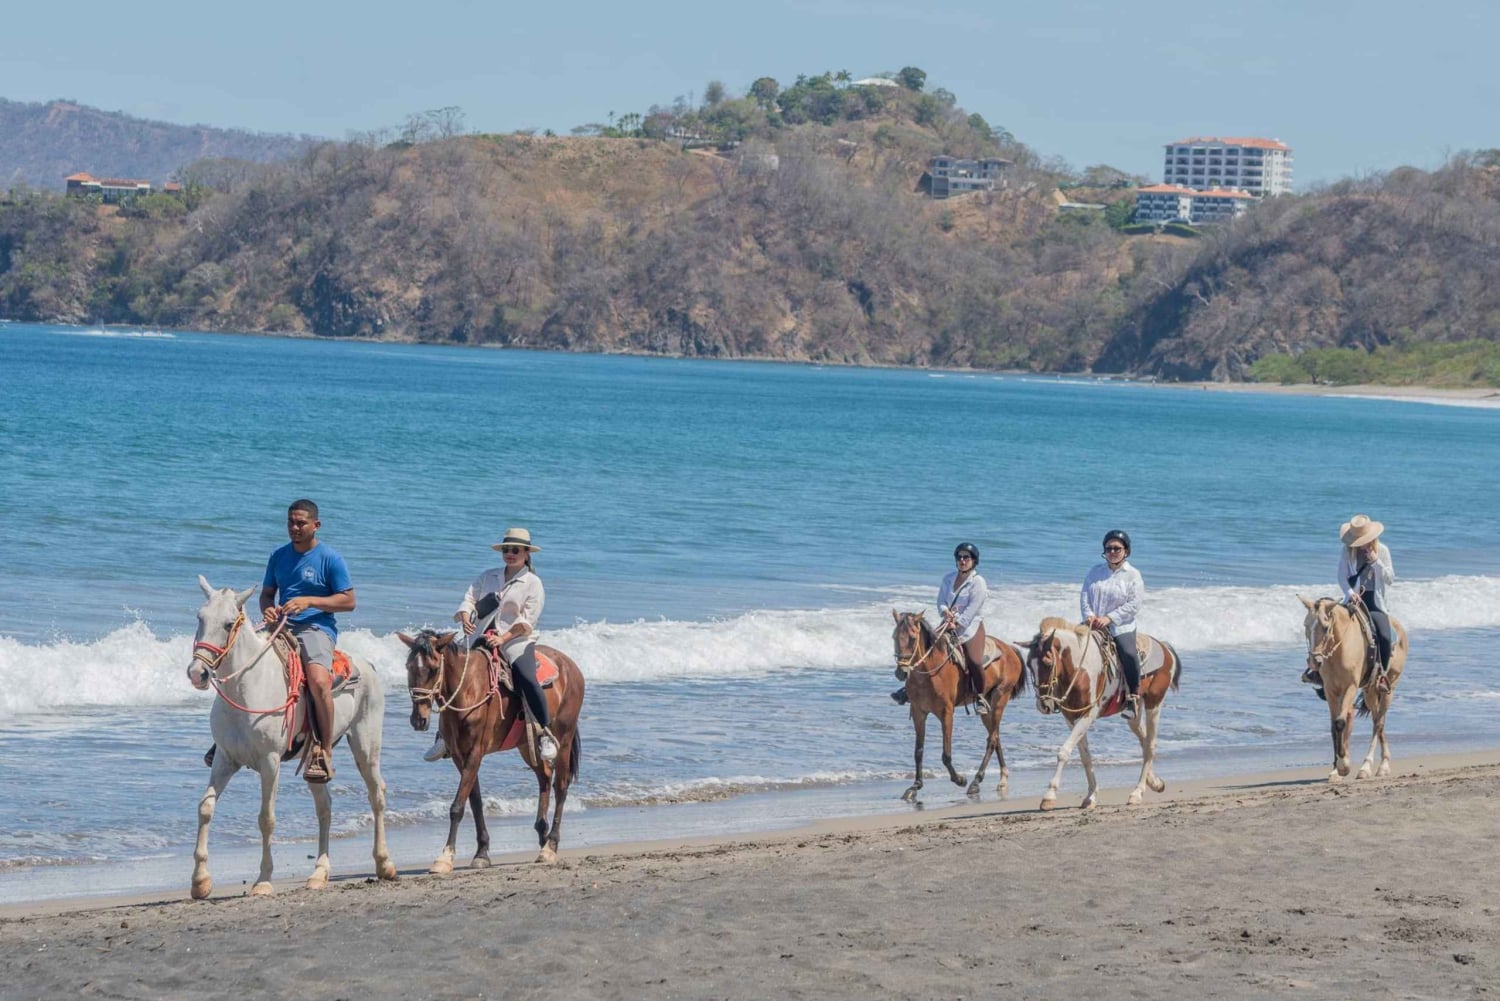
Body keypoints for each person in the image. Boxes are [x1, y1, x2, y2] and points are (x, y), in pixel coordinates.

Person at [425, 527, 557, 764]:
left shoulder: (533, 583)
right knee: (449, 675)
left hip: (515, 640)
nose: (510, 553)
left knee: (527, 677)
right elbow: (469, 599)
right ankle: (443, 736)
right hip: (480, 637)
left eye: (515, 550)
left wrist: (503, 639)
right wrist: (465, 617)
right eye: (506, 549)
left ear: (526, 553)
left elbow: (527, 620)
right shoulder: (488, 576)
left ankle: (544, 733)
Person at [261, 499, 355, 783]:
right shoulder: (278, 556)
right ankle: (227, 740)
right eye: (290, 522)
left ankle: (323, 750)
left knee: (317, 681)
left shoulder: (330, 558)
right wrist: (267, 608)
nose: (294, 528)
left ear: (316, 525)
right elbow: (267, 594)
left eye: (301, 523)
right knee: (240, 659)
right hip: (281, 625)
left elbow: (349, 601)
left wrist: (309, 601)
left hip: (316, 627)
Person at [891, 542, 991, 713]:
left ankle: (980, 697)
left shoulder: (978, 583)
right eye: (959, 557)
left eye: (966, 557)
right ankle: (908, 690)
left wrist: (958, 621)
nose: (962, 560)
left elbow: (973, 608)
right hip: (947, 623)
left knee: (974, 660)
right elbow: (941, 601)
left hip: (970, 628)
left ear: (974, 561)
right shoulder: (948, 578)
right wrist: (945, 612)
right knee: (923, 652)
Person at [1080, 530, 1145, 718]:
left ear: (1126, 551)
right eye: (1109, 548)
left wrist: (1110, 618)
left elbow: (1134, 604)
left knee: (1128, 653)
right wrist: (1089, 615)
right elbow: (1085, 596)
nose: (1112, 551)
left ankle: (1132, 697)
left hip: (1120, 626)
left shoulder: (1133, 575)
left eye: (1117, 548)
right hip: (1093, 623)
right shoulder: (1095, 571)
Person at [1336, 513, 1396, 690]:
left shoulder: (1382, 550)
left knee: (1384, 635)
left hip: (1374, 602)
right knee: (1327, 624)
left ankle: (1382, 676)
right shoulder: (1347, 551)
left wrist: (1376, 561)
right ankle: (1319, 669)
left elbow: (1390, 579)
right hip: (1353, 599)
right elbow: (1341, 576)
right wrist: (1349, 592)